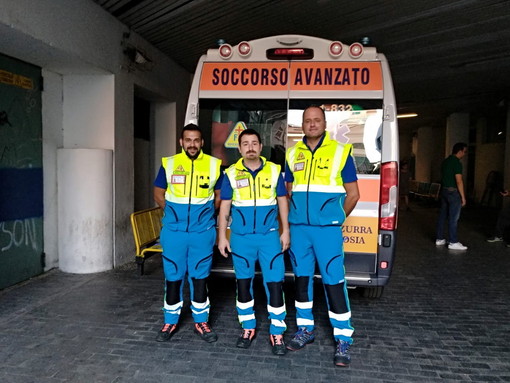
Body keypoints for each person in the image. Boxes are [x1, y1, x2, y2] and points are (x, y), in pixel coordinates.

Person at [284, 106, 360, 367]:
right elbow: (287, 191)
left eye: (317, 120)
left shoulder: (341, 152)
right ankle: (305, 330)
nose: (312, 124)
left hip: (327, 231)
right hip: (299, 230)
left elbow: (353, 194)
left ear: (324, 123)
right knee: (302, 281)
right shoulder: (292, 153)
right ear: (302, 124)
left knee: (334, 282)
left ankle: (343, 338)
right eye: (308, 121)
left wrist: (336, 219)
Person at [217, 128, 290, 356]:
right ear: (239, 148)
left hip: (269, 237)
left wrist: (286, 230)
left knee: (275, 284)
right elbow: (224, 208)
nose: (250, 147)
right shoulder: (230, 174)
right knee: (243, 284)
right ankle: (247, 327)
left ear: (261, 146)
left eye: (254, 143)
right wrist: (222, 237)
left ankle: (277, 331)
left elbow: (282, 202)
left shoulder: (274, 170)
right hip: (241, 238)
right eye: (245, 144)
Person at [153, 123, 223, 343]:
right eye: (188, 140)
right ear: (181, 142)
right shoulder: (169, 164)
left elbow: (220, 196)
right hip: (174, 232)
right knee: (173, 276)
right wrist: (174, 215)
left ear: (202, 143)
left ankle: (201, 321)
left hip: (202, 233)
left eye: (196, 140)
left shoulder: (214, 165)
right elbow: (158, 193)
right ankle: (170, 321)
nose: (192, 144)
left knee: (200, 277)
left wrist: (208, 214)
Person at [435, 142, 468, 251]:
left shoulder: (445, 161)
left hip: (444, 191)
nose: (464, 154)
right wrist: (463, 197)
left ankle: (439, 239)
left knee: (442, 216)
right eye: (464, 151)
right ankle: (453, 241)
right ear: (460, 151)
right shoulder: (457, 163)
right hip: (453, 192)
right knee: (453, 218)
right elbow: (459, 181)